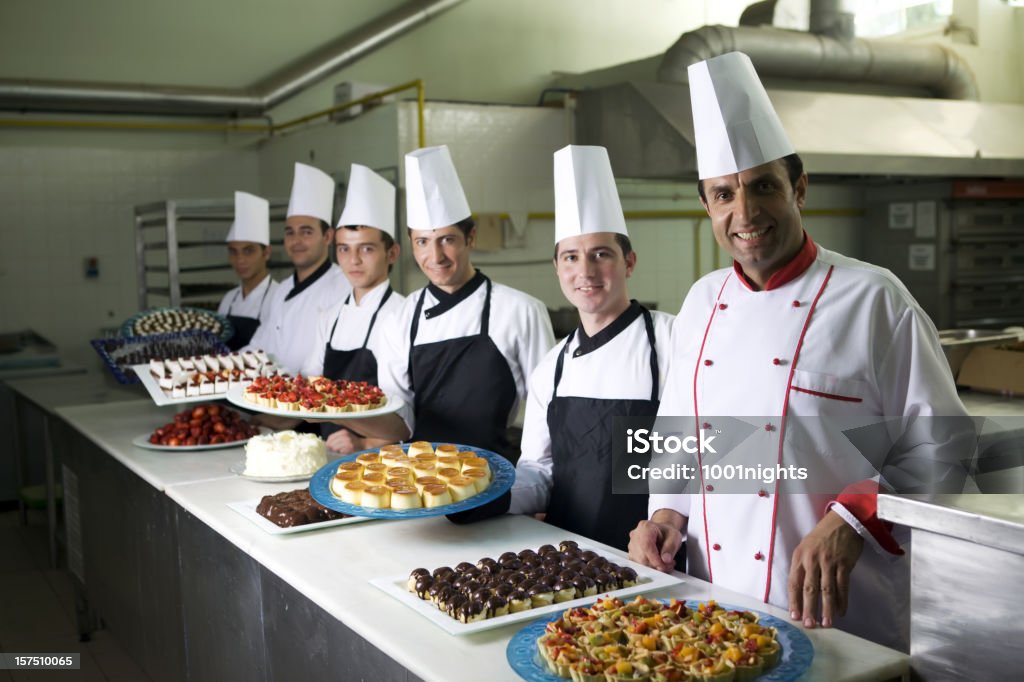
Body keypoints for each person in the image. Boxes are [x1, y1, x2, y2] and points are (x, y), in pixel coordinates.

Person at [626, 51, 972, 651]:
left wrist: (852, 517)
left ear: (799, 189)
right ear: (707, 205)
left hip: (843, 610)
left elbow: (946, 448)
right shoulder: (702, 303)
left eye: (763, 187)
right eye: (724, 194)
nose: (745, 212)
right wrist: (665, 516)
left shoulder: (873, 298)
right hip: (716, 604)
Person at [511, 145, 674, 552]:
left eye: (601, 254)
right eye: (571, 257)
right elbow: (538, 469)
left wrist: (668, 523)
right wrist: (488, 496)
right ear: (558, 268)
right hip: (571, 562)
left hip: (656, 560)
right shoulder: (552, 367)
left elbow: (711, 449)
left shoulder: (674, 342)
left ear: (629, 262)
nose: (585, 271)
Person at [369, 145, 554, 461]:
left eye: (447, 240)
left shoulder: (521, 311)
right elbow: (398, 415)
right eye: (423, 242)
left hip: (497, 472)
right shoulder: (400, 319)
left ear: (470, 238)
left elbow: (549, 409)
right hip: (420, 477)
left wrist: (541, 485)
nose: (436, 256)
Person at [300, 164, 404, 452]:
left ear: (392, 253)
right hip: (326, 453)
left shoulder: (403, 315)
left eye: (367, 249)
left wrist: (363, 442)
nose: (353, 260)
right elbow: (312, 385)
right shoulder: (330, 316)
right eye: (344, 249)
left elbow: (407, 415)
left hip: (382, 460)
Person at [245, 162, 351, 374]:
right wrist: (218, 367)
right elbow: (259, 346)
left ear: (328, 236)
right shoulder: (282, 290)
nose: (296, 241)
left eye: (306, 232)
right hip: (271, 397)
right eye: (290, 232)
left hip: (312, 401)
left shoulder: (344, 286)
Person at [218, 191, 278, 351]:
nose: (240, 260)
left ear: (266, 253)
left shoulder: (278, 298)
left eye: (248, 251)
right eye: (233, 252)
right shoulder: (229, 299)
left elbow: (270, 349)